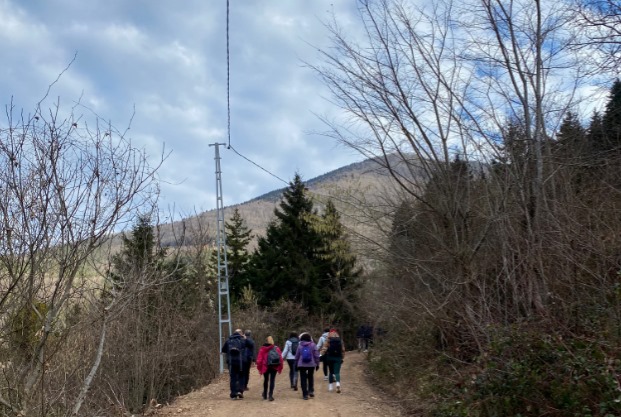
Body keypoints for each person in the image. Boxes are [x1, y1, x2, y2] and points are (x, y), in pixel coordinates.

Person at [221, 328, 250, 399]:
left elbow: (223, 350)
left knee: (233, 378)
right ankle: (240, 391)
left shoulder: (229, 340)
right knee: (241, 376)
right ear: (241, 333)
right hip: (241, 362)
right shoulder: (243, 340)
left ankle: (233, 393)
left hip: (231, 362)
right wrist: (246, 338)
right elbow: (251, 345)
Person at [256, 335, 283, 401]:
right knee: (272, 380)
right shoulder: (276, 348)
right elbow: (280, 358)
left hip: (266, 366)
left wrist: (259, 367)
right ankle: (270, 395)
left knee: (266, 380)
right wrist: (280, 367)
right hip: (274, 366)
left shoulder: (263, 349)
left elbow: (259, 360)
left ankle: (265, 394)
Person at [294, 332, 320, 400]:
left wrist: (296, 364)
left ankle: (305, 394)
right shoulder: (313, 345)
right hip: (311, 364)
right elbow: (316, 355)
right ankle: (311, 391)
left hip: (302, 364)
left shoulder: (300, 346)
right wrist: (317, 364)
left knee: (303, 379)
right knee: (310, 377)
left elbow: (297, 356)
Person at [320, 328, 345, 393]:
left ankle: (330, 387)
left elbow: (324, 348)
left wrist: (321, 354)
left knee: (331, 372)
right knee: (337, 372)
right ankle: (338, 384)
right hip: (338, 357)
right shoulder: (340, 340)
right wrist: (342, 357)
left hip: (330, 357)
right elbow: (343, 350)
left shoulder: (328, 339)